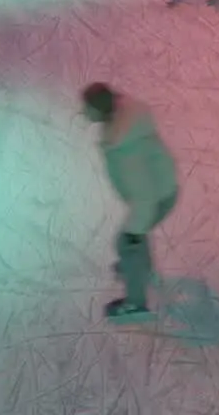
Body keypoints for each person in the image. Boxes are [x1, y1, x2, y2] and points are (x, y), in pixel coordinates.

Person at [81, 83, 178, 323]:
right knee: (135, 236)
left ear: (100, 110)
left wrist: (135, 230)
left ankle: (136, 303)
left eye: (87, 108)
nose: (83, 113)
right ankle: (141, 271)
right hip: (162, 190)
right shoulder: (125, 123)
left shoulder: (126, 150)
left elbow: (145, 196)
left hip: (156, 197)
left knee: (128, 242)